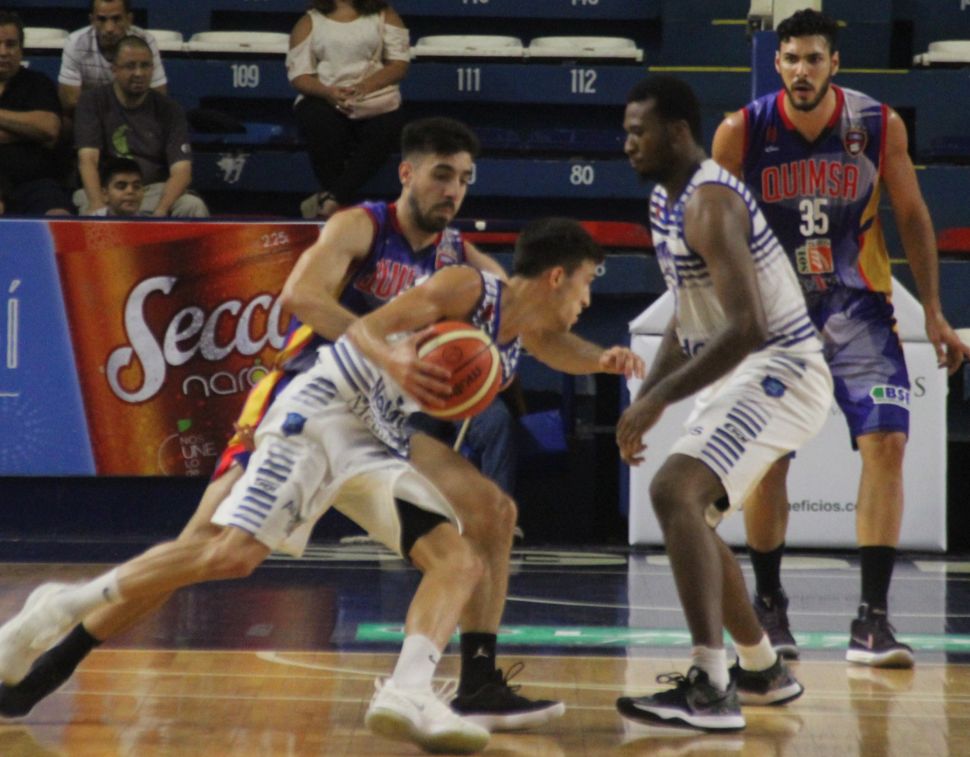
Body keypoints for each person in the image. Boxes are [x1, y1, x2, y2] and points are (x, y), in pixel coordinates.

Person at [0, 217, 642, 754]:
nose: (589, 300)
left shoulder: (518, 330)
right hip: (323, 412)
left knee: (458, 560)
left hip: (375, 442)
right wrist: (395, 357)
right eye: (588, 283)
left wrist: (603, 360)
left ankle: (408, 693)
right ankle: (58, 606)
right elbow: (367, 327)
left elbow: (557, 346)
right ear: (557, 276)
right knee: (229, 554)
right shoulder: (468, 286)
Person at [711, 8, 970, 667]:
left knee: (888, 442)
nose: (801, 70)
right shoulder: (741, 131)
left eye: (813, 59)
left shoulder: (877, 125)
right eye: (791, 58)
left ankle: (873, 620)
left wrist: (934, 311)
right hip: (777, 314)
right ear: (776, 63)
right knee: (771, 457)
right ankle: (770, 604)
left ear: (834, 64)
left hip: (859, 306)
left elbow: (912, 215)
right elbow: (716, 233)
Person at [614, 75, 829, 732]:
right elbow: (688, 315)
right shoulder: (664, 201)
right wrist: (648, 396)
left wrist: (656, 400)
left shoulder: (710, 202)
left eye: (638, 132)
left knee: (674, 491)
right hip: (744, 371)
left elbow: (747, 327)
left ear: (677, 132)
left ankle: (710, 684)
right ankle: (761, 667)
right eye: (626, 132)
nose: (628, 144)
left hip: (782, 368)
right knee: (692, 513)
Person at [286, 0, 409, 219]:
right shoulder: (309, 21)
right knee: (319, 121)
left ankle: (332, 199)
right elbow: (300, 75)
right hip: (325, 98)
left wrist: (365, 87)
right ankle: (338, 201)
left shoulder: (384, 15)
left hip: (375, 99)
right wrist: (328, 92)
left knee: (386, 128)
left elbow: (399, 64)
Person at [73, 35, 208, 217]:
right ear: (114, 69)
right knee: (88, 207)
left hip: (152, 191)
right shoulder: (92, 101)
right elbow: (88, 159)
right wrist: (98, 206)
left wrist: (161, 210)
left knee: (192, 206)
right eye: (130, 66)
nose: (139, 73)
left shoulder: (170, 109)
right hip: (107, 190)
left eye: (145, 66)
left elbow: (182, 171)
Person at [0, 12, 72, 216]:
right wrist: (27, 133)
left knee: (59, 215)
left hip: (34, 185)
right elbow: (39, 131)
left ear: (21, 49)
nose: (3, 52)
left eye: (11, 44)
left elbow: (48, 128)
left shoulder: (38, 83)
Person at [59, 0, 167, 118]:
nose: (109, 28)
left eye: (116, 19)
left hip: (136, 117)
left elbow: (158, 95)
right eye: (101, 19)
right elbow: (70, 101)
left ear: (129, 19)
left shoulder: (146, 41)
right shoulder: (75, 43)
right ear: (92, 20)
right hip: (91, 117)